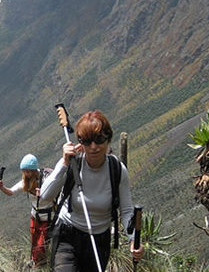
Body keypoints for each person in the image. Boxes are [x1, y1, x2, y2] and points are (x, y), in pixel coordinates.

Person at [40, 110, 143, 271]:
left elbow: (127, 210)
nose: (94, 147)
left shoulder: (117, 170)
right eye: (87, 141)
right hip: (67, 236)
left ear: (108, 140)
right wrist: (64, 163)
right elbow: (45, 196)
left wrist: (133, 240)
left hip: (99, 242)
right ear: (80, 142)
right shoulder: (73, 163)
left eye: (99, 140)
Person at [0, 154, 54, 267]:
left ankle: (39, 265)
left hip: (47, 218)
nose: (26, 174)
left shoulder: (46, 179)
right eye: (24, 171)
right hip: (35, 216)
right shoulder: (25, 181)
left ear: (33, 170)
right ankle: (38, 264)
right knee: (34, 244)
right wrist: (1, 187)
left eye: (28, 171)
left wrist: (43, 194)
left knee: (41, 246)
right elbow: (11, 191)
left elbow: (54, 194)